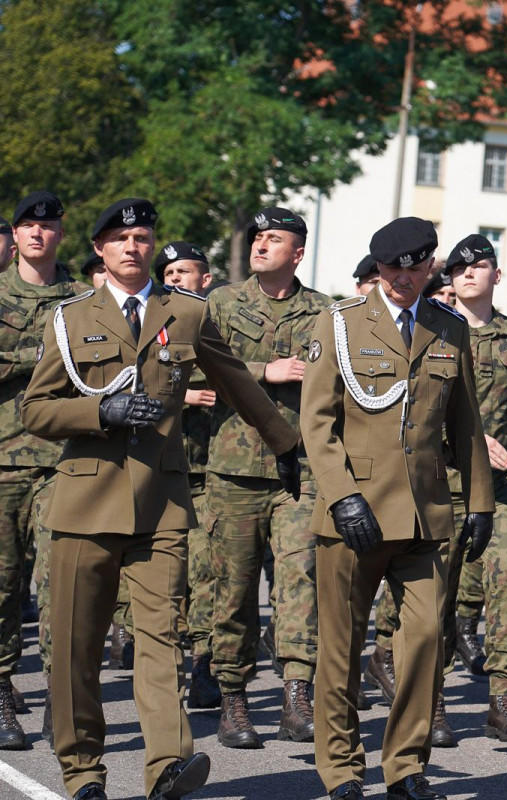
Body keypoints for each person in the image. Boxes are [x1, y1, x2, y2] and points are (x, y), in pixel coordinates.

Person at [21, 197, 301, 800]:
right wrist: (101, 410)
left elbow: (239, 384)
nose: (133, 247)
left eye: (143, 238)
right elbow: (36, 410)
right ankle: (83, 772)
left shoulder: (189, 312)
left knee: (161, 640)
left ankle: (169, 765)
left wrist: (287, 447)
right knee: (76, 648)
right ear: (99, 249)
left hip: (161, 505)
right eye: (120, 240)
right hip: (86, 503)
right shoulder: (70, 317)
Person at [301, 216, 494, 800]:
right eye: (391, 269)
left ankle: (405, 766)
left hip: (423, 514)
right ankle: (341, 770)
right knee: (341, 649)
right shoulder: (339, 323)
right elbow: (317, 422)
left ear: (430, 266)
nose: (402, 279)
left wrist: (480, 500)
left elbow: (466, 423)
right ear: (379, 268)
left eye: (414, 269)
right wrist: (342, 497)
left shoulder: (447, 327)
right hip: (354, 515)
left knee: (425, 641)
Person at [204, 207, 331, 748]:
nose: (260, 245)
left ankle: (296, 694)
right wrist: (264, 371)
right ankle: (233, 699)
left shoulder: (324, 312)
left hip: (300, 470)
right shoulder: (221, 303)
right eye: (257, 237)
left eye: (273, 239)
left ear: (297, 253)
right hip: (234, 470)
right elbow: (193, 363)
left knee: (302, 579)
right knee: (233, 590)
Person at [0, 191, 88, 751]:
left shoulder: (83, 301)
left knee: (64, 587)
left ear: (60, 233)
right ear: (14, 236)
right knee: (3, 584)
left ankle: (61, 699)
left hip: (65, 461)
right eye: (27, 225)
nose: (37, 233)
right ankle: (1, 688)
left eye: (48, 225)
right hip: (3, 460)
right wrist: (42, 358)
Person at [440, 233, 507, 743]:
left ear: (497, 275)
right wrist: (469, 440)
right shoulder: (430, 331)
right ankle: (429, 699)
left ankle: (504, 696)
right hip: (438, 484)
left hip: (503, 487)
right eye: (459, 268)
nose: (468, 273)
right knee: (433, 594)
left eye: (478, 266)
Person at [154, 241, 222, 709]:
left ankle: (204, 665)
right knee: (167, 577)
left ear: (206, 279)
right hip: (163, 469)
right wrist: (186, 396)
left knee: (206, 574)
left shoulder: (219, 320)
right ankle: (163, 666)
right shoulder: (154, 319)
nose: (176, 278)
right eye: (169, 272)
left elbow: (233, 370)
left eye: (185, 271)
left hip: (212, 471)